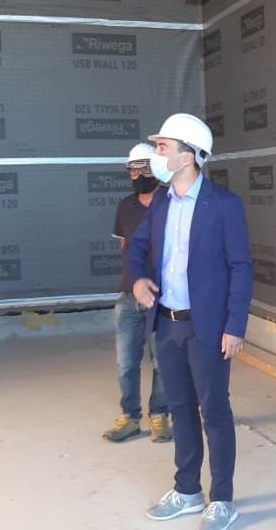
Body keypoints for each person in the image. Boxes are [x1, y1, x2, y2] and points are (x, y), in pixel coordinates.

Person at [127, 113, 252, 530]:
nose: (156, 155)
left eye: (163, 147)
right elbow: (136, 246)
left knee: (214, 412)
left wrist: (235, 326)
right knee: (180, 409)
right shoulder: (162, 202)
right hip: (166, 325)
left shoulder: (224, 205)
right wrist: (137, 279)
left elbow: (240, 267)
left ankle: (223, 499)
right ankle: (187, 490)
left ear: (188, 156)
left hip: (208, 328)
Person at [102, 143, 172, 443]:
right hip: (129, 296)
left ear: (156, 168)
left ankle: (160, 416)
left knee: (162, 361)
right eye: (133, 169)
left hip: (163, 297)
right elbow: (125, 249)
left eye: (144, 168)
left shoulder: (172, 202)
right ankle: (130, 417)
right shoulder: (125, 207)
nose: (139, 174)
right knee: (126, 363)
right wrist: (134, 280)